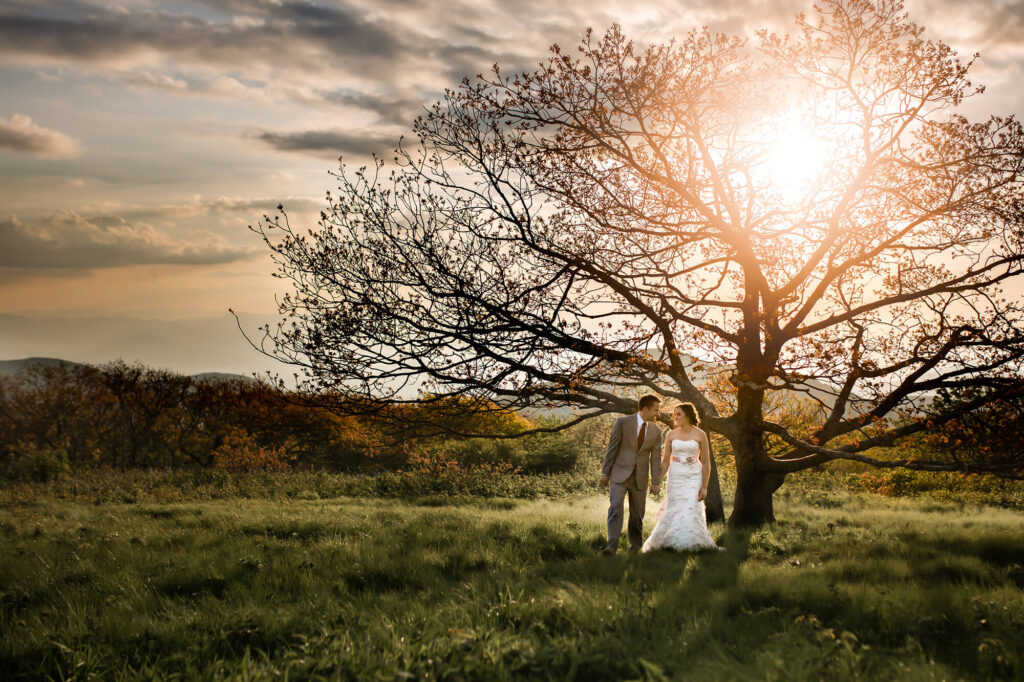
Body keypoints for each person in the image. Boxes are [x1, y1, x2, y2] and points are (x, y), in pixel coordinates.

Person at [641, 402, 720, 553]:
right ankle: (669, 542)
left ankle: (689, 544)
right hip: (675, 475)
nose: (675, 417)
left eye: (678, 414)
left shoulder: (700, 434)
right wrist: (656, 481)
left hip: (693, 476)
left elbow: (706, 463)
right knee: (674, 508)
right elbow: (665, 461)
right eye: (674, 414)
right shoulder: (671, 434)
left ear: (688, 415)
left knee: (690, 507)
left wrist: (704, 486)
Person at [600, 394, 663, 555]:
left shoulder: (657, 431)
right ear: (646, 408)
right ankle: (611, 547)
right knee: (615, 508)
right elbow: (612, 448)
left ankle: (634, 547)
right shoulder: (622, 423)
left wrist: (656, 481)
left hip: (640, 478)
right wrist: (605, 472)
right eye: (656, 409)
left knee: (637, 515)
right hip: (619, 474)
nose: (658, 413)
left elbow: (656, 458)